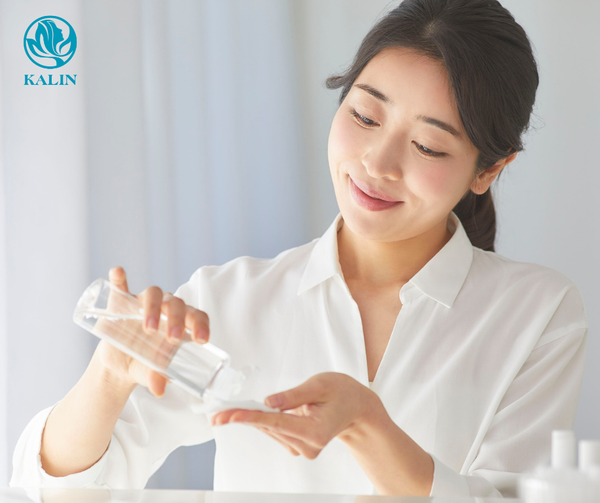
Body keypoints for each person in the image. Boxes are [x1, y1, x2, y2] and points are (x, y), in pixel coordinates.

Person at [10, 0, 588, 498]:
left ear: (490, 169)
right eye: (365, 115)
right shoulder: (230, 300)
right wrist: (109, 375)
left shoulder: (537, 313)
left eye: (428, 146)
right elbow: (51, 491)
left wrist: (369, 425)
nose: (377, 163)